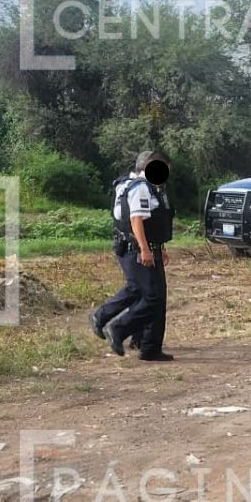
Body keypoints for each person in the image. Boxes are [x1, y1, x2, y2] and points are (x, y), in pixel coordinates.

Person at [103, 152, 176, 362]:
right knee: (151, 297)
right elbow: (136, 221)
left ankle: (151, 347)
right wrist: (145, 249)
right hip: (139, 250)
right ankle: (118, 328)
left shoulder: (153, 187)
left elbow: (154, 223)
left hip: (151, 248)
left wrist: (158, 247)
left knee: (157, 298)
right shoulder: (141, 188)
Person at [89, 166, 143, 350]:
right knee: (138, 288)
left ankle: (137, 337)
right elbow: (134, 220)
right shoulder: (136, 187)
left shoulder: (127, 184)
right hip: (131, 246)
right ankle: (102, 316)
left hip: (131, 245)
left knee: (144, 292)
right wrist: (144, 247)